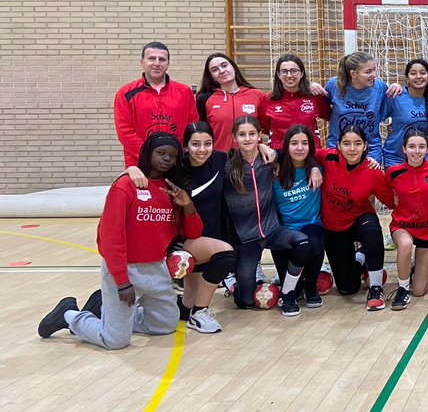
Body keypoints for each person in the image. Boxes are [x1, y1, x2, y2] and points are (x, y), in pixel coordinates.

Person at [39, 133, 201, 349]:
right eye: (161, 153)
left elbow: (194, 231)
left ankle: (110, 315)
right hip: (125, 271)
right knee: (115, 341)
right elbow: (110, 237)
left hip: (157, 269)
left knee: (165, 325)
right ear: (147, 153)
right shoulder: (126, 186)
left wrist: (187, 205)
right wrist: (122, 282)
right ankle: (69, 315)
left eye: (172, 156)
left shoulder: (172, 190)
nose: (167, 159)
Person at [126, 121, 237, 333]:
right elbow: (143, 173)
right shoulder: (174, 168)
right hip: (182, 242)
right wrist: (130, 169)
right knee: (225, 255)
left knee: (182, 309)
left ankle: (100, 305)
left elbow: (248, 151)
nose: (202, 149)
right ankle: (200, 313)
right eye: (195, 144)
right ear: (185, 146)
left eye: (208, 143)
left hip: (209, 238)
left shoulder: (222, 159)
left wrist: (262, 145)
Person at [223, 117, 312, 317]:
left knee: (303, 243)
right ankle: (232, 283)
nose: (247, 139)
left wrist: (314, 167)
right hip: (246, 239)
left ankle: (287, 292)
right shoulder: (226, 166)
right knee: (245, 302)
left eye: (252, 134)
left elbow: (301, 155)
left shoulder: (271, 159)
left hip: (272, 230)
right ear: (234, 137)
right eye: (242, 134)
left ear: (259, 136)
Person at [317, 125, 395, 309]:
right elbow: (300, 153)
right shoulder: (327, 158)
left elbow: (392, 202)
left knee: (372, 233)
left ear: (365, 146)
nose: (352, 149)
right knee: (347, 288)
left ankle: (375, 288)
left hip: (360, 220)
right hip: (334, 228)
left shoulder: (372, 171)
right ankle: (361, 257)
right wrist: (313, 167)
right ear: (338, 145)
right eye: (347, 143)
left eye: (357, 143)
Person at [114, 41, 198, 168]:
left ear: (168, 63)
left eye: (162, 59)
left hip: (175, 163)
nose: (157, 63)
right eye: (152, 58)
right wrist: (149, 156)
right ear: (142, 62)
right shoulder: (126, 93)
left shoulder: (184, 92)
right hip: (140, 164)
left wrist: (177, 154)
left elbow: (192, 126)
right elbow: (125, 133)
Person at [385, 129, 428, 311]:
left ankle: (410, 269)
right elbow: (385, 194)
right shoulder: (393, 172)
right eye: (411, 147)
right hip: (403, 227)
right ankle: (402, 289)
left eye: (421, 147)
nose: (416, 151)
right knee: (405, 244)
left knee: (419, 290)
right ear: (404, 149)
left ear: (427, 149)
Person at [272, 125, 328, 311]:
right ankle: (292, 290)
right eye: (294, 143)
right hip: (285, 231)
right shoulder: (275, 172)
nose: (299, 148)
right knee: (294, 290)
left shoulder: (317, 169)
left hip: (310, 225)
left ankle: (311, 287)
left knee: (316, 243)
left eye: (304, 143)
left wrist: (313, 166)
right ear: (286, 146)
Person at [325, 51, 393, 165]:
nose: (374, 75)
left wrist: (397, 87)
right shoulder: (334, 85)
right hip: (337, 149)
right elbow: (322, 108)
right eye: (368, 72)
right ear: (353, 73)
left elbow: (387, 111)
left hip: (370, 151)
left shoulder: (380, 87)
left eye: (374, 69)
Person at [196, 53, 270, 153]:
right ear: (212, 77)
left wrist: (263, 146)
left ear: (233, 67)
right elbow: (202, 133)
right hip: (218, 157)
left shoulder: (256, 95)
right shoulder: (204, 99)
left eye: (224, 65)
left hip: (251, 156)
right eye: (214, 70)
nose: (221, 71)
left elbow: (266, 128)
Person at [263, 54, 330, 150]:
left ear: (302, 73)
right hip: (280, 155)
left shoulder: (314, 96)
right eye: (284, 71)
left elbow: (330, 116)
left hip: (309, 153)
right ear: (278, 75)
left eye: (294, 71)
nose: (289, 75)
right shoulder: (268, 99)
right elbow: (264, 128)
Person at [382, 59, 428, 166]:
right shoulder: (396, 96)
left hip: (423, 157)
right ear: (407, 78)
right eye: (413, 73)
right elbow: (376, 117)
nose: (418, 76)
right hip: (396, 158)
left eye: (423, 73)